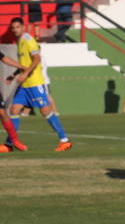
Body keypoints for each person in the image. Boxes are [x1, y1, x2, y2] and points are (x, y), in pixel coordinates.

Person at [4, 16, 73, 151]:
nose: (15, 30)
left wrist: (25, 74)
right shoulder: (19, 41)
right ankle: (9, 144)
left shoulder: (28, 40)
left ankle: (65, 140)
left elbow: (37, 58)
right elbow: (25, 63)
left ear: (23, 27)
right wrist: (13, 75)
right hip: (24, 85)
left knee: (46, 111)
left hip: (35, 83)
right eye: (13, 28)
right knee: (14, 110)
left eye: (17, 27)